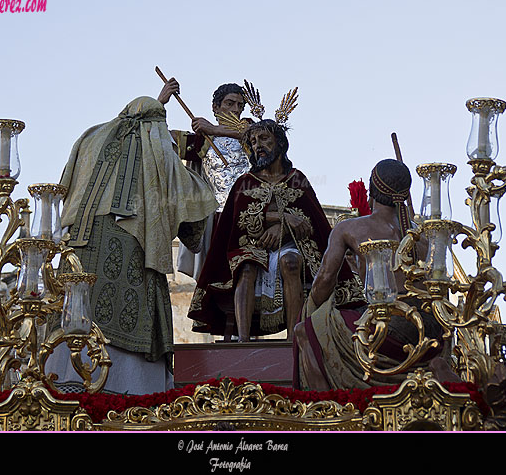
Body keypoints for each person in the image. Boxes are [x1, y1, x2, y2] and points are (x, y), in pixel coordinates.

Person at [50, 91, 219, 395]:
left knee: (70, 317)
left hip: (75, 246)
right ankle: (125, 391)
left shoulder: (90, 137)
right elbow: (184, 198)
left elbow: (63, 186)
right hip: (131, 246)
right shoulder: (155, 140)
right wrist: (199, 172)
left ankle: (64, 380)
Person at [188, 118, 362, 342]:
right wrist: (281, 217)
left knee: (290, 263)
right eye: (253, 141)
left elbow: (312, 223)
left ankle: (294, 338)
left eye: (264, 139)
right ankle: (243, 340)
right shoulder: (245, 182)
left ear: (280, 143)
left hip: (290, 246)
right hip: (251, 247)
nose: (257, 145)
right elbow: (239, 221)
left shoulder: (296, 179)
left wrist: (284, 227)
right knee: (247, 267)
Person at [293, 158, 448, 390]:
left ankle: (326, 411)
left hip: (389, 327)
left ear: (371, 192)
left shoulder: (349, 228)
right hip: (431, 331)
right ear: (405, 194)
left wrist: (310, 311)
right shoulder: (425, 237)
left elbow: (324, 280)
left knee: (305, 331)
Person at [172, 82, 253, 281]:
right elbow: (163, 140)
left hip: (251, 215)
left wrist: (214, 129)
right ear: (216, 108)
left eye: (240, 105)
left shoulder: (251, 133)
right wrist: (161, 102)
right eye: (230, 104)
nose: (236, 110)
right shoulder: (203, 142)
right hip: (218, 217)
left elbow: (262, 136)